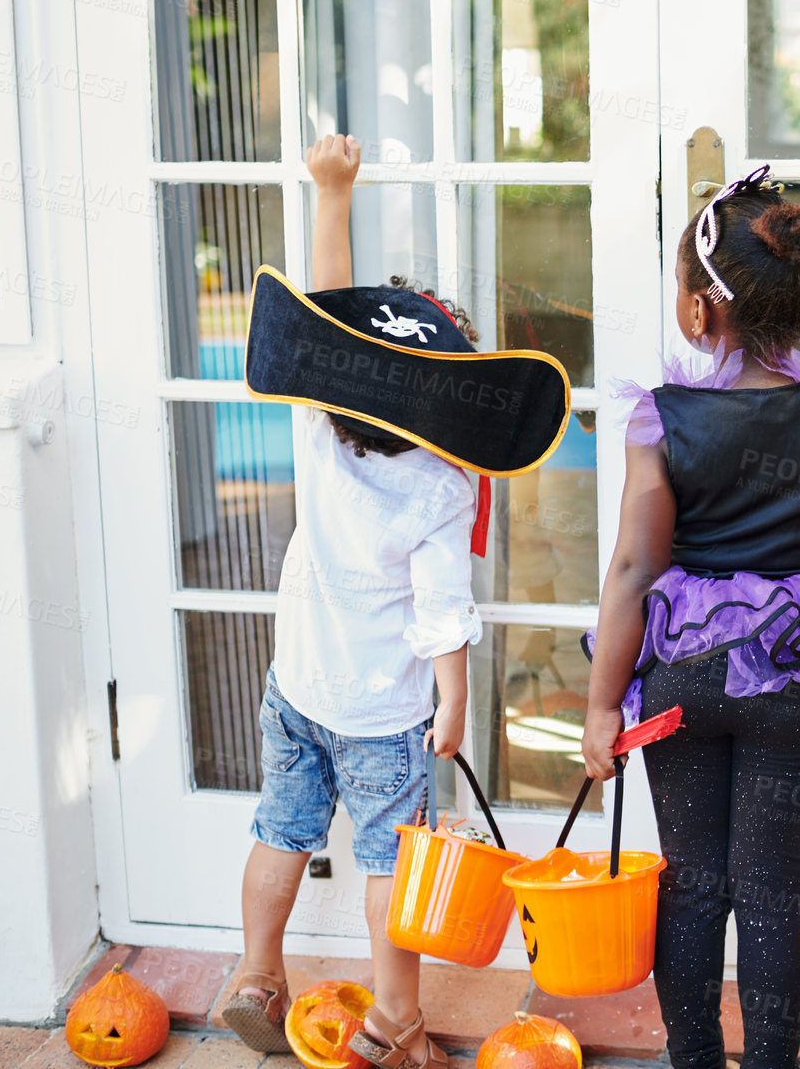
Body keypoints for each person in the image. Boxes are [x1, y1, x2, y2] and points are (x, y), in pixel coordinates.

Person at [225, 134, 570, 1069]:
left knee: (279, 832)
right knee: (392, 864)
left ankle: (257, 972)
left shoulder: (318, 431)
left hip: (297, 686)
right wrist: (454, 702)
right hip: (385, 712)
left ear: (339, 380)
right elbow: (443, 612)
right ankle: (394, 1022)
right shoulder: (441, 489)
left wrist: (330, 194)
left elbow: (328, 308)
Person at [579, 167, 800, 1069]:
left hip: (685, 679)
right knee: (774, 890)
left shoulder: (666, 419)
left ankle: (696, 1058)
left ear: (703, 311)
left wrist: (600, 705)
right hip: (790, 678)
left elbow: (636, 566)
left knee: (694, 885)